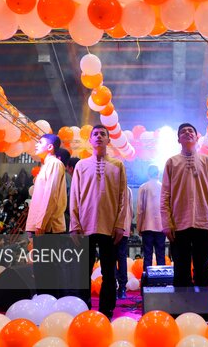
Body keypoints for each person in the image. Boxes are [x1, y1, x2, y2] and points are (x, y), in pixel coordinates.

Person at [70, 125, 128, 319]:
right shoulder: (81, 165)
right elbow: (74, 197)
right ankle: (82, 308)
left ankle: (106, 310)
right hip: (84, 225)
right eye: (95, 134)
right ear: (90, 140)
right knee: (82, 271)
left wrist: (120, 224)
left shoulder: (118, 165)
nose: (99, 136)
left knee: (109, 273)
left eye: (103, 134)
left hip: (110, 226)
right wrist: (74, 226)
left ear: (108, 140)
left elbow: (123, 198)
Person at [161, 123, 208, 288]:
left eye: (190, 131)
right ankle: (182, 310)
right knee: (181, 268)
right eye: (183, 132)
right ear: (178, 139)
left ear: (197, 136)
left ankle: (205, 311)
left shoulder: (207, 161)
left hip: (204, 222)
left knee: (203, 267)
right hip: (178, 223)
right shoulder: (171, 162)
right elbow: (165, 195)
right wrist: (166, 223)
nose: (187, 133)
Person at [25, 134, 68, 297]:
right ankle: (45, 301)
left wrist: (41, 223)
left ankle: (52, 304)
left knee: (48, 269)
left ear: (50, 147)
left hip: (48, 226)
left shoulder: (55, 164)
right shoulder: (46, 165)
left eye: (40, 142)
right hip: (41, 225)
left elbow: (51, 196)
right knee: (42, 268)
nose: (36, 145)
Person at [137, 165, 166, 270]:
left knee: (147, 256)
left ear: (148, 174)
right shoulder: (163, 187)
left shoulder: (143, 187)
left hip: (147, 226)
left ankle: (147, 282)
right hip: (161, 227)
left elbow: (140, 210)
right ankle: (162, 282)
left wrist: (139, 227)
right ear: (158, 174)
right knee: (161, 255)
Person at [116, 187, 133, 299]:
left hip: (111, 229)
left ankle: (116, 285)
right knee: (122, 257)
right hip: (124, 228)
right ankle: (122, 288)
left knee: (110, 258)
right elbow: (131, 211)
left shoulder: (110, 185)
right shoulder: (128, 190)